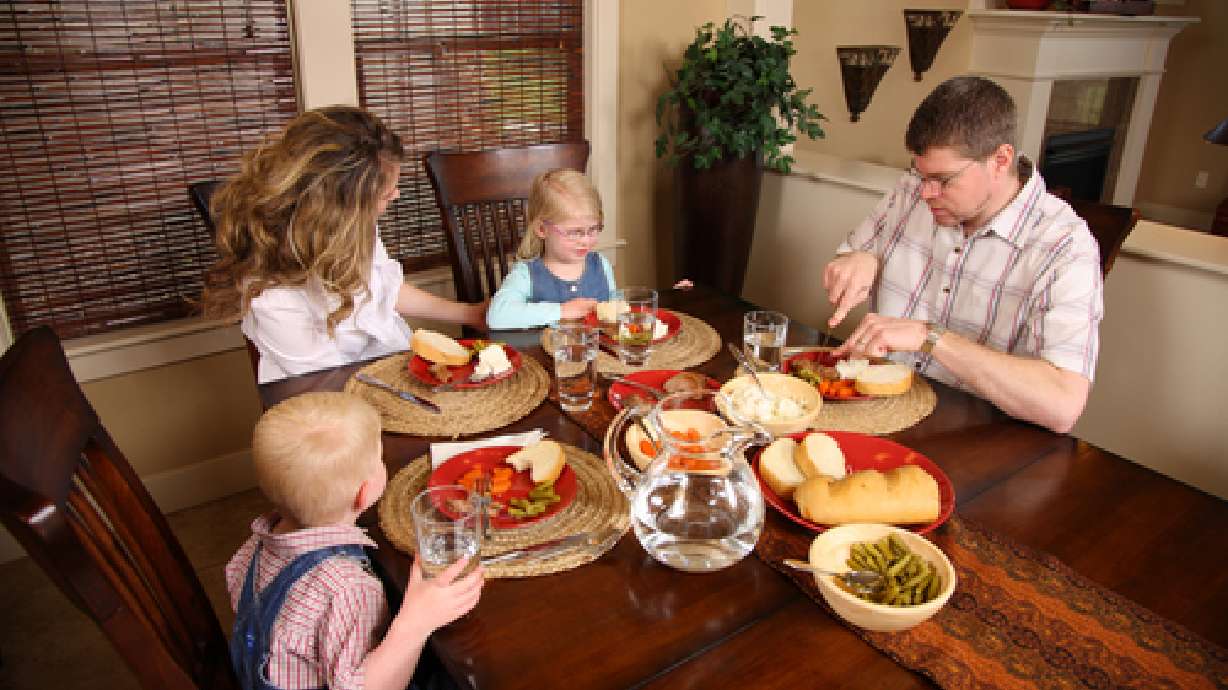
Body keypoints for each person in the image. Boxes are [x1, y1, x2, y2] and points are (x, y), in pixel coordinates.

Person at [824, 76, 1103, 434]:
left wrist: (932, 337)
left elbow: (1062, 404)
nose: (925, 193)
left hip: (981, 440)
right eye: (919, 174)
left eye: (944, 180)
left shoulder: (1065, 246)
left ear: (1000, 160)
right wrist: (860, 259)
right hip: (880, 415)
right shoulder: (914, 191)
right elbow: (855, 253)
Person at [201, 106, 487, 383]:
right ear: (334, 208)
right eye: (386, 192)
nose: (396, 194)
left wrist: (469, 314)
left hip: (387, 369)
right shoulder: (271, 294)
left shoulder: (354, 225)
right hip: (327, 398)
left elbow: (384, 288)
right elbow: (327, 383)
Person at [226, 392, 483, 690]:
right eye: (379, 459)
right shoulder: (348, 589)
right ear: (365, 492)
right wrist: (416, 622)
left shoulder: (255, 545)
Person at [485, 169, 617, 329]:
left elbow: (614, 309)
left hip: (599, 353)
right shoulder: (526, 274)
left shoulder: (601, 265)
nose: (586, 240)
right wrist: (562, 311)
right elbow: (497, 316)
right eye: (574, 232)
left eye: (593, 229)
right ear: (542, 229)